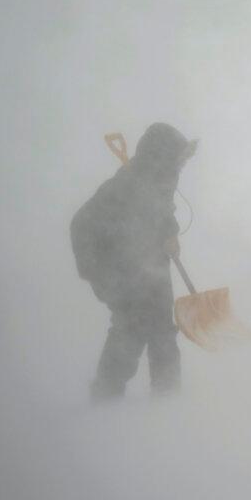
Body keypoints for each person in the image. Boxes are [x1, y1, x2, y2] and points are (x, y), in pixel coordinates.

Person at [70, 123, 197, 401]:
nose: (183, 164)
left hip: (152, 267)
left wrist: (170, 233)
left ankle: (168, 403)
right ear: (162, 157)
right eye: (179, 158)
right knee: (130, 331)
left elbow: (162, 214)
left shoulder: (160, 180)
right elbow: (81, 224)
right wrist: (98, 273)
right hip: (120, 270)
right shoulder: (125, 186)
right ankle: (105, 402)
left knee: (162, 331)